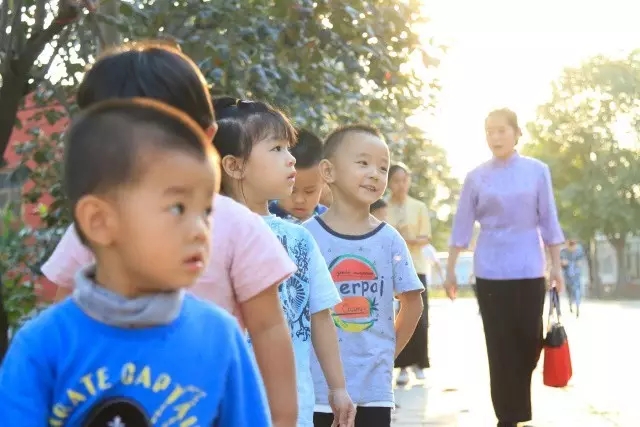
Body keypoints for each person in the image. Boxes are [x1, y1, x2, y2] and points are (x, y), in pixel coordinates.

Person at [39, 41, 298, 427]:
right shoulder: (96, 222)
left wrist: (281, 421)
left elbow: (269, 328)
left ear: (204, 135)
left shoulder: (237, 225)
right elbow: (62, 319)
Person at [0, 98, 270, 425]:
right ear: (99, 221)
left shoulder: (220, 338)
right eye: (177, 208)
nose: (201, 231)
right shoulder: (43, 346)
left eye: (206, 212)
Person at [212, 97, 356, 427]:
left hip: (290, 405)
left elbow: (320, 315)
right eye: (276, 149)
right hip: (226, 403)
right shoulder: (207, 234)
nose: (291, 159)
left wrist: (338, 388)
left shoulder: (299, 239)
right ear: (234, 166)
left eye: (288, 149)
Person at [445, 108, 565, 427]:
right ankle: (508, 417)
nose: (495, 137)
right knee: (498, 343)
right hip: (490, 268)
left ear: (516, 133)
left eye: (501, 130)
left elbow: (549, 220)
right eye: (489, 131)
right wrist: (450, 268)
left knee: (528, 339)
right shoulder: (476, 176)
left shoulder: (537, 171)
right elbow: (462, 225)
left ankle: (516, 408)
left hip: (529, 265)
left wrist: (557, 266)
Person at [307, 125, 424, 427]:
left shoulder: (390, 240)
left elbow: (413, 303)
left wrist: (388, 354)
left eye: (382, 168)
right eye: (363, 163)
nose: (375, 173)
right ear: (328, 171)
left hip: (374, 391)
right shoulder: (306, 237)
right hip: (317, 390)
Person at [385, 163, 432, 385]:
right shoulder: (383, 205)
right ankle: (401, 365)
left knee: (420, 317)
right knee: (396, 317)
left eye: (404, 180)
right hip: (390, 269)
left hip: (416, 266)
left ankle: (420, 362)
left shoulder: (419, 206)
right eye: (396, 180)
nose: (400, 185)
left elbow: (426, 237)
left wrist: (406, 240)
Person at [269, 128, 328, 223]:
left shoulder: (330, 221)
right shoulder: (263, 220)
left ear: (325, 179)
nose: (299, 200)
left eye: (309, 191)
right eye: (292, 190)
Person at [561, 239, 585, 317]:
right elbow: (561, 261)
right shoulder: (564, 251)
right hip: (567, 274)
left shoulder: (578, 251)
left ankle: (577, 306)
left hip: (576, 274)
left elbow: (581, 260)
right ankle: (570, 303)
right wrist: (564, 262)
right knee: (569, 290)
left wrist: (579, 263)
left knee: (577, 289)